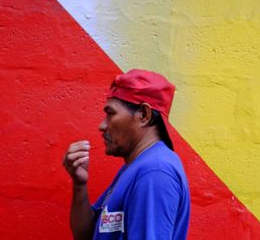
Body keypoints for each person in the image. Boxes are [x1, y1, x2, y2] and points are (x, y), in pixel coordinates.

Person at [62, 69, 191, 240]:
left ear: (144, 115)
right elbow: (86, 235)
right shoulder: (137, 166)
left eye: (110, 113)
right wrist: (79, 185)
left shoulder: (155, 172)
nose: (102, 125)